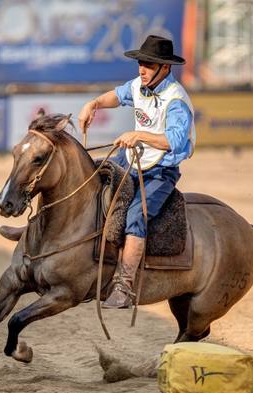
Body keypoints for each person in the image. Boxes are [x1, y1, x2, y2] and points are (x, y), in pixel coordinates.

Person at [78, 35, 196, 309]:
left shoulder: (176, 100)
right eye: (141, 63)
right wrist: (93, 104)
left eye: (148, 65)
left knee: (136, 216)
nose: (142, 69)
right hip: (130, 159)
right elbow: (117, 95)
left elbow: (174, 141)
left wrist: (138, 135)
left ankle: (123, 285)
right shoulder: (139, 86)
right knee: (89, 179)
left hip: (159, 171)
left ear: (165, 68)